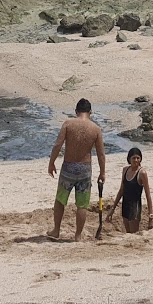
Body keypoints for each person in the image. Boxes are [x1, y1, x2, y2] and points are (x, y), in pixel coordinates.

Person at [47, 97, 106, 241]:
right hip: (85, 168)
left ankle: (56, 231)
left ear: (76, 111)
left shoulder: (68, 124)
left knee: (60, 200)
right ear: (90, 112)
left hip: (68, 166)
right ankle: (78, 235)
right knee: (82, 204)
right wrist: (102, 172)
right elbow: (101, 154)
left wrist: (51, 162)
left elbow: (57, 145)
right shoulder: (96, 129)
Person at [109, 146, 153, 234]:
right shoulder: (125, 170)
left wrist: (151, 216)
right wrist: (113, 208)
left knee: (134, 234)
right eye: (134, 158)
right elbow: (121, 190)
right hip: (125, 205)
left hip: (135, 207)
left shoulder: (142, 173)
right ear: (129, 159)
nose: (136, 160)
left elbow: (148, 195)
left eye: (138, 158)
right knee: (128, 233)